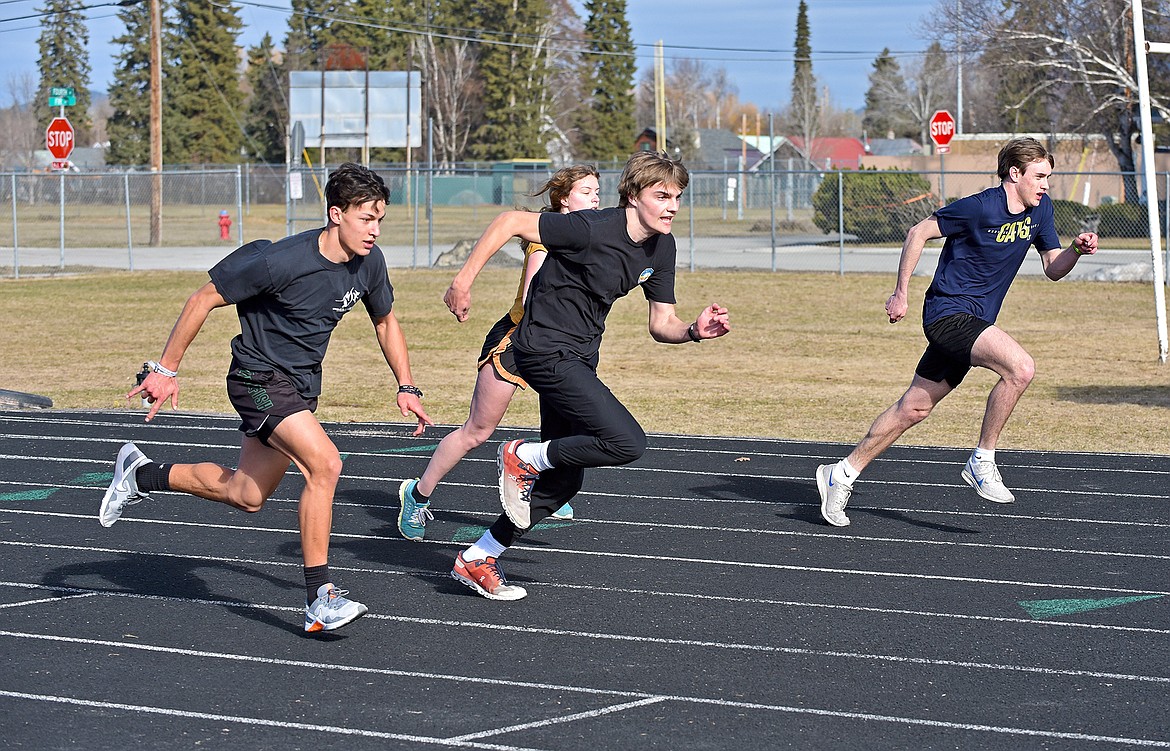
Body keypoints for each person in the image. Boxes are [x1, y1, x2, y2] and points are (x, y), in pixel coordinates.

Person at [99, 162, 433, 632]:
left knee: (246, 494)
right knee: (326, 464)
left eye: (380, 219)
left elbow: (385, 321)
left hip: (299, 387)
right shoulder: (281, 261)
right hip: (256, 377)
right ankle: (321, 595)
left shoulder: (369, 264)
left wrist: (406, 384)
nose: (374, 230)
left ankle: (141, 474)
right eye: (365, 218)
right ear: (336, 214)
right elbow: (203, 299)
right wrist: (165, 369)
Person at [442, 151, 731, 600]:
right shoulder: (590, 227)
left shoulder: (662, 246)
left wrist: (694, 331)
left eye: (677, 197)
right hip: (541, 349)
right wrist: (463, 281)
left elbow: (661, 324)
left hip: (580, 357)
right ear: (633, 196)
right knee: (627, 441)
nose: (672, 206)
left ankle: (478, 556)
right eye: (661, 196)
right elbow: (508, 222)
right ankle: (523, 456)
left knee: (567, 478)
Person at [815, 137, 1099, 527]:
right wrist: (901, 293)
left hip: (976, 322)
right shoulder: (979, 207)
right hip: (947, 314)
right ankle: (982, 460)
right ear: (1014, 174)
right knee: (1021, 369)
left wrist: (1076, 251)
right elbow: (917, 232)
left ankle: (841, 473)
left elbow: (1053, 267)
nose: (1046, 184)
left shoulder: (1040, 210)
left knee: (913, 408)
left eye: (1048, 176)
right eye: (1040, 176)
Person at [397, 165, 601, 541]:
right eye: (587, 191)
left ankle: (551, 490)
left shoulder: (589, 235)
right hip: (520, 338)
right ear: (563, 200)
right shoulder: (548, 239)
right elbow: (530, 298)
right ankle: (418, 494)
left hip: (558, 344)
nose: (596, 198)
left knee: (565, 422)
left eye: (597, 192)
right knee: (477, 430)